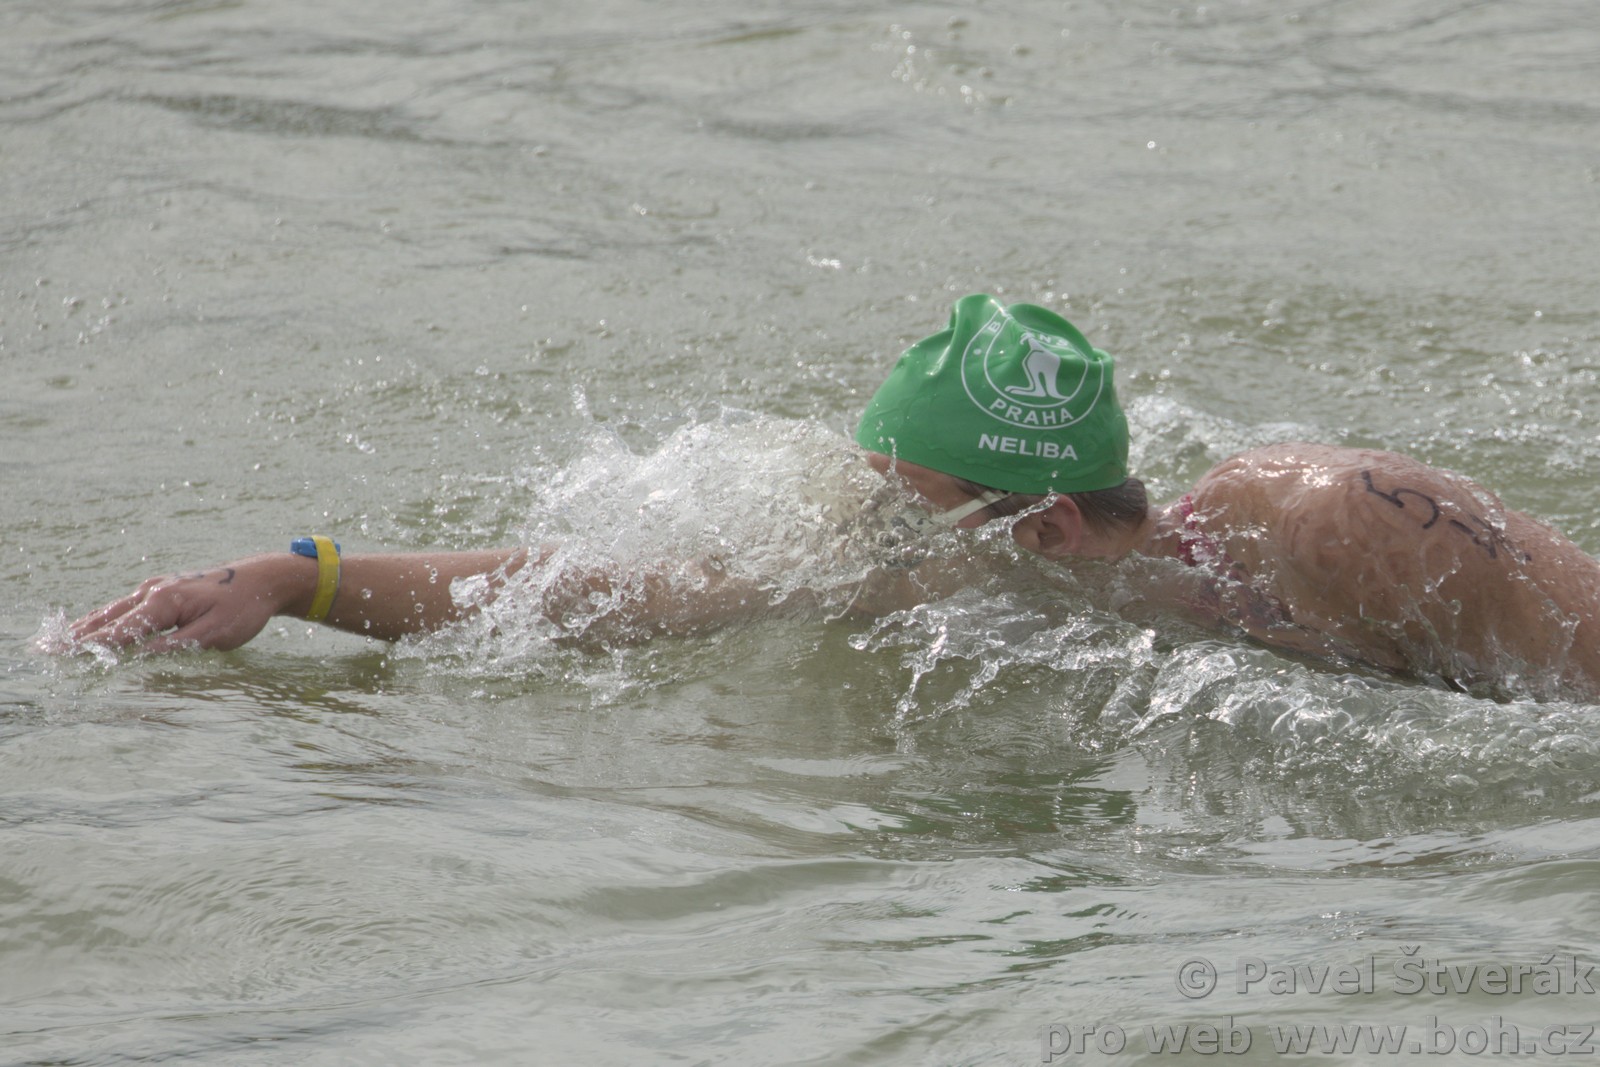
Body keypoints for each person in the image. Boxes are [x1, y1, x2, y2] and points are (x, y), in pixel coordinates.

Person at [62, 295, 1600, 700]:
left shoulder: (1332, 521)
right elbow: (610, 595)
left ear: (1051, 522)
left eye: (900, 501)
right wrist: (299, 575)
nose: (870, 533)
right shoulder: (965, 564)